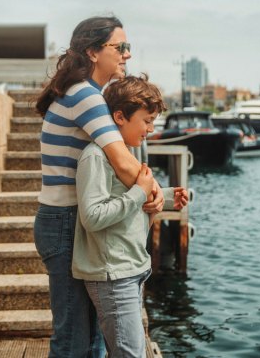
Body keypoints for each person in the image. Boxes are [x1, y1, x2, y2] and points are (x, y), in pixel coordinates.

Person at [34, 16, 165, 358]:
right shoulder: (86, 96)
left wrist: (151, 187)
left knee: (90, 339)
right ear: (93, 52)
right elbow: (123, 163)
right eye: (119, 47)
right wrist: (153, 191)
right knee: (75, 339)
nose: (127, 55)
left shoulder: (86, 93)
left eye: (128, 47)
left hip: (66, 220)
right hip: (64, 221)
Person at [73, 75, 188, 357]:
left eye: (154, 122)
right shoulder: (96, 156)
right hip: (113, 274)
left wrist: (169, 195)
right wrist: (139, 192)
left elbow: (131, 195)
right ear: (120, 117)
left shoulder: (125, 154)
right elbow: (92, 215)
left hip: (130, 269)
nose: (150, 129)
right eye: (147, 121)